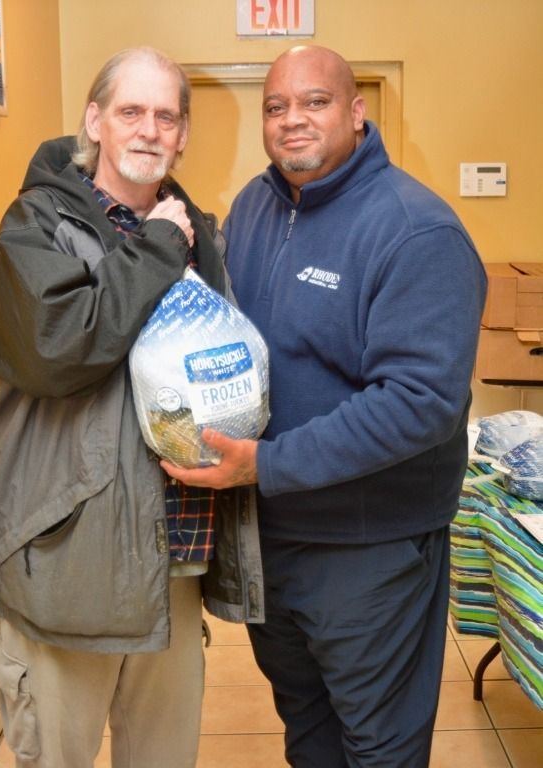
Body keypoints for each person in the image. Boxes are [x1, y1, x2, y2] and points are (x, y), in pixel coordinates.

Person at [162, 45, 488, 767]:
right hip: (270, 539)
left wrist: (266, 464)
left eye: (315, 102)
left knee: (378, 745)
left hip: (367, 548)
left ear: (357, 111)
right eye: (276, 107)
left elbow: (420, 402)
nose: (292, 121)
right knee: (307, 730)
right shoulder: (254, 206)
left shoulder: (414, 231)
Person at [0, 47, 263, 768]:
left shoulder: (202, 232)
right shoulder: (37, 223)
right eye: (130, 110)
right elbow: (55, 346)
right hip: (71, 562)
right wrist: (161, 247)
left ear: (184, 134)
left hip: (173, 564)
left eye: (166, 115)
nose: (148, 129)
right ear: (95, 121)